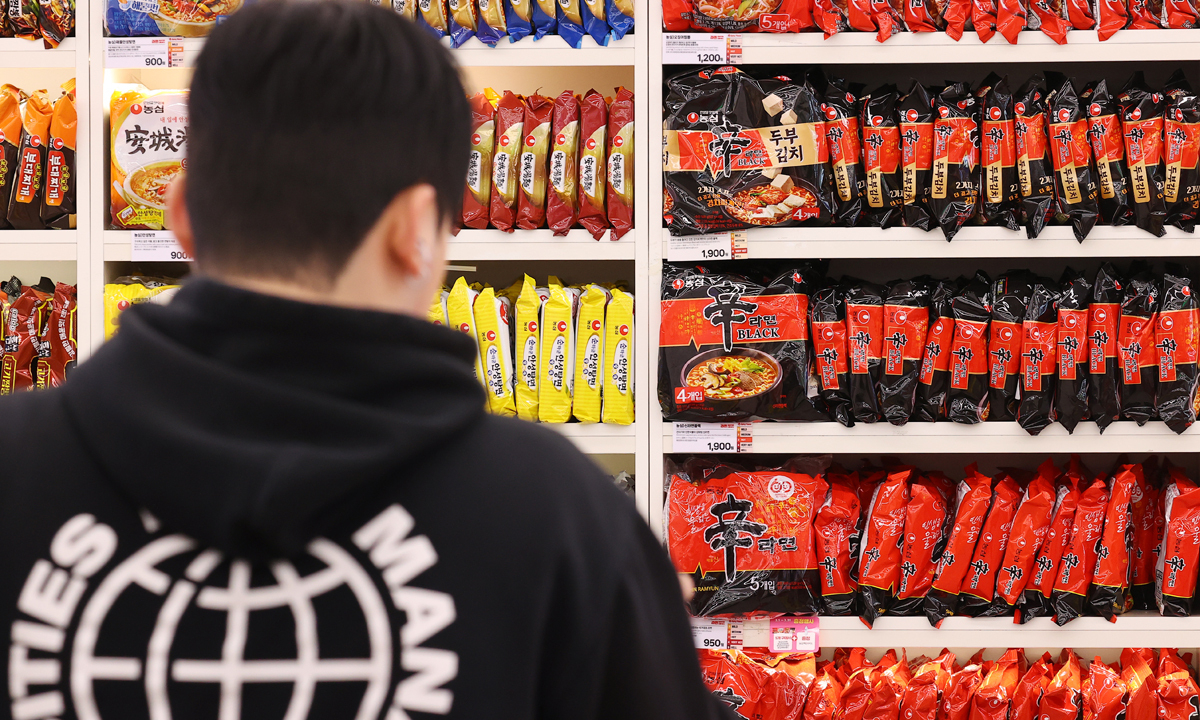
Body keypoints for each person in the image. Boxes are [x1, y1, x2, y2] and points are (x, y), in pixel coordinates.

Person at [0, 3, 731, 719]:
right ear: (419, 229)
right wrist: (644, 637)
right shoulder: (556, 518)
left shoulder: (16, 466)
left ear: (181, 213)